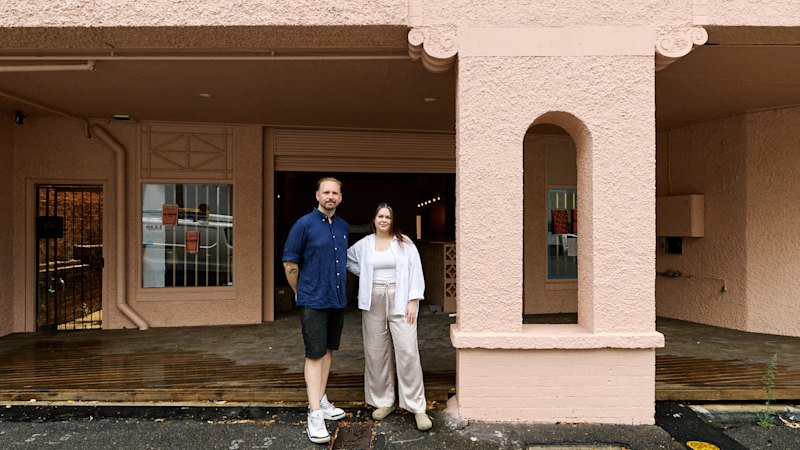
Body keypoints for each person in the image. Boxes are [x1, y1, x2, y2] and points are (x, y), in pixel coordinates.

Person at [346, 202, 432, 431]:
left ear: (392, 221)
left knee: (408, 351)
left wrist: (413, 300)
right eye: (380, 216)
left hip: (400, 297)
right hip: (373, 298)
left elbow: (416, 271)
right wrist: (365, 274)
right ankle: (383, 401)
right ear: (374, 220)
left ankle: (417, 406)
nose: (384, 220)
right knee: (376, 352)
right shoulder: (364, 244)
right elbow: (347, 260)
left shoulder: (404, 243)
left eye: (388, 217)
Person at [282, 177, 349, 444]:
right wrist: (300, 291)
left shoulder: (342, 226)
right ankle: (315, 413)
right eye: (326, 192)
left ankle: (320, 398)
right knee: (314, 355)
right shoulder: (304, 225)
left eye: (335, 193)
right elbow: (290, 263)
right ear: (317, 196)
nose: (331, 196)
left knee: (328, 351)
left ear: (340, 197)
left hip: (336, 300)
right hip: (314, 300)